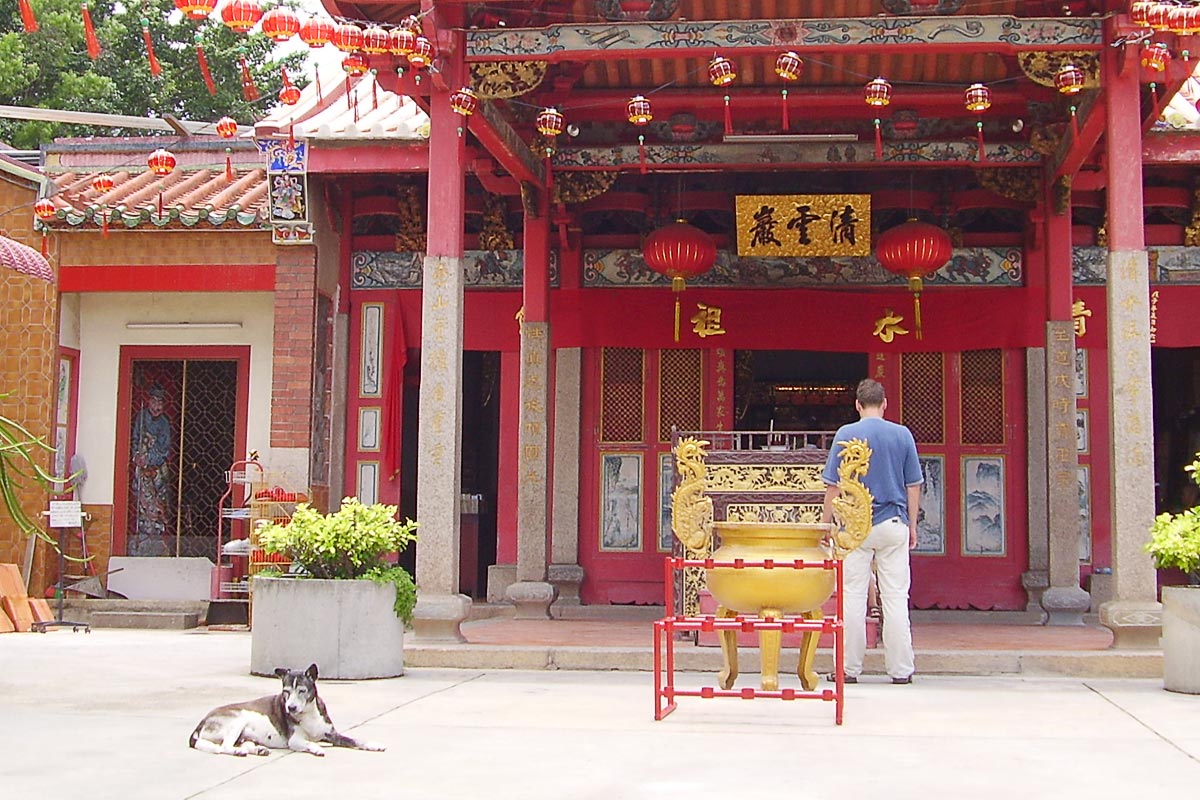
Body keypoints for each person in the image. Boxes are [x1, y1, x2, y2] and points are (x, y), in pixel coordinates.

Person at [821, 378, 922, 684]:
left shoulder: (846, 434)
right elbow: (913, 485)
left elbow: (833, 487)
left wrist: (826, 524)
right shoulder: (902, 435)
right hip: (893, 522)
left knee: (852, 598)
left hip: (855, 527)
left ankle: (848, 669)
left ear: (857, 404)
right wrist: (912, 524)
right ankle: (901, 670)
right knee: (895, 597)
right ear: (885, 403)